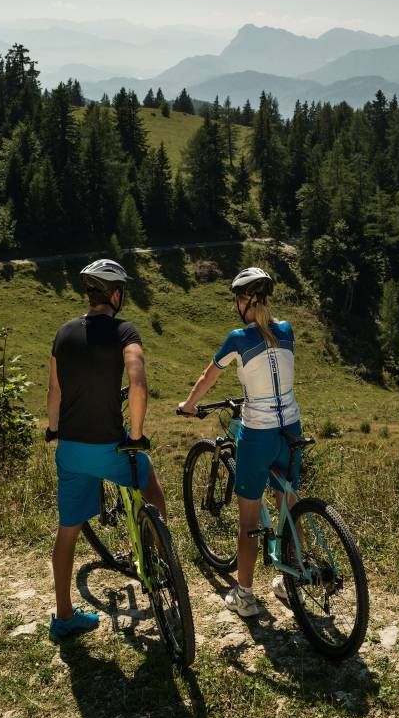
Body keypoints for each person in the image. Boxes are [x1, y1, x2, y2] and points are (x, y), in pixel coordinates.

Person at [43, 258, 165, 639]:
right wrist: (136, 434)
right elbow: (138, 379)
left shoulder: (63, 334)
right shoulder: (124, 330)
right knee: (153, 491)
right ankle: (162, 567)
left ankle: (64, 617)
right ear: (115, 294)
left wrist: (53, 429)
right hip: (112, 449)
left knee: (67, 533)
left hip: (73, 450)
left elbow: (54, 391)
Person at [174, 266, 299, 618]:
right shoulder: (286, 330)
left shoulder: (237, 338)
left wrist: (189, 406)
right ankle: (294, 580)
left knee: (248, 521)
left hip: (258, 432)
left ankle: (245, 595)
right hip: (290, 425)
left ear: (244, 301)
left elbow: (207, 377)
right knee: (288, 502)